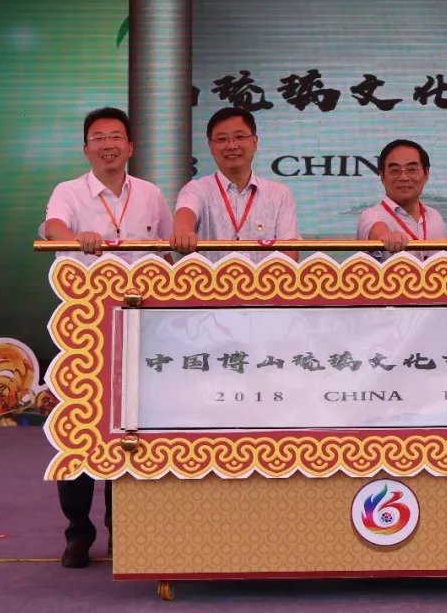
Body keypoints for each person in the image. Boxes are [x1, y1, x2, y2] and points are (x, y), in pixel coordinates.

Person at [41, 106, 174, 568]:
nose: (107, 145)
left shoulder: (151, 194)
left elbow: (169, 251)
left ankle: (124, 529)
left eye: (116, 136)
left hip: (141, 329)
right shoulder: (68, 191)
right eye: (98, 138)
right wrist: (75, 236)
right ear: (86, 149)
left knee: (132, 429)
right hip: (86, 331)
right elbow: (53, 228)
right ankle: (78, 532)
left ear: (131, 146)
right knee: (81, 427)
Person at [170, 107, 301, 261]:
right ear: (210, 146)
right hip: (212, 277)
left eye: (239, 137)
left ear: (254, 142)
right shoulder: (197, 189)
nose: (231, 145)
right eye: (221, 139)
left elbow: (289, 252)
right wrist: (184, 231)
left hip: (265, 276)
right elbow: (186, 211)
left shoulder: (279, 194)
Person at [356, 139, 447, 261]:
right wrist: (386, 236)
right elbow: (377, 229)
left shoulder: (435, 216)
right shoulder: (370, 215)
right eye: (395, 171)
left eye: (412, 170)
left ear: (426, 173)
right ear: (382, 176)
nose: (403, 177)